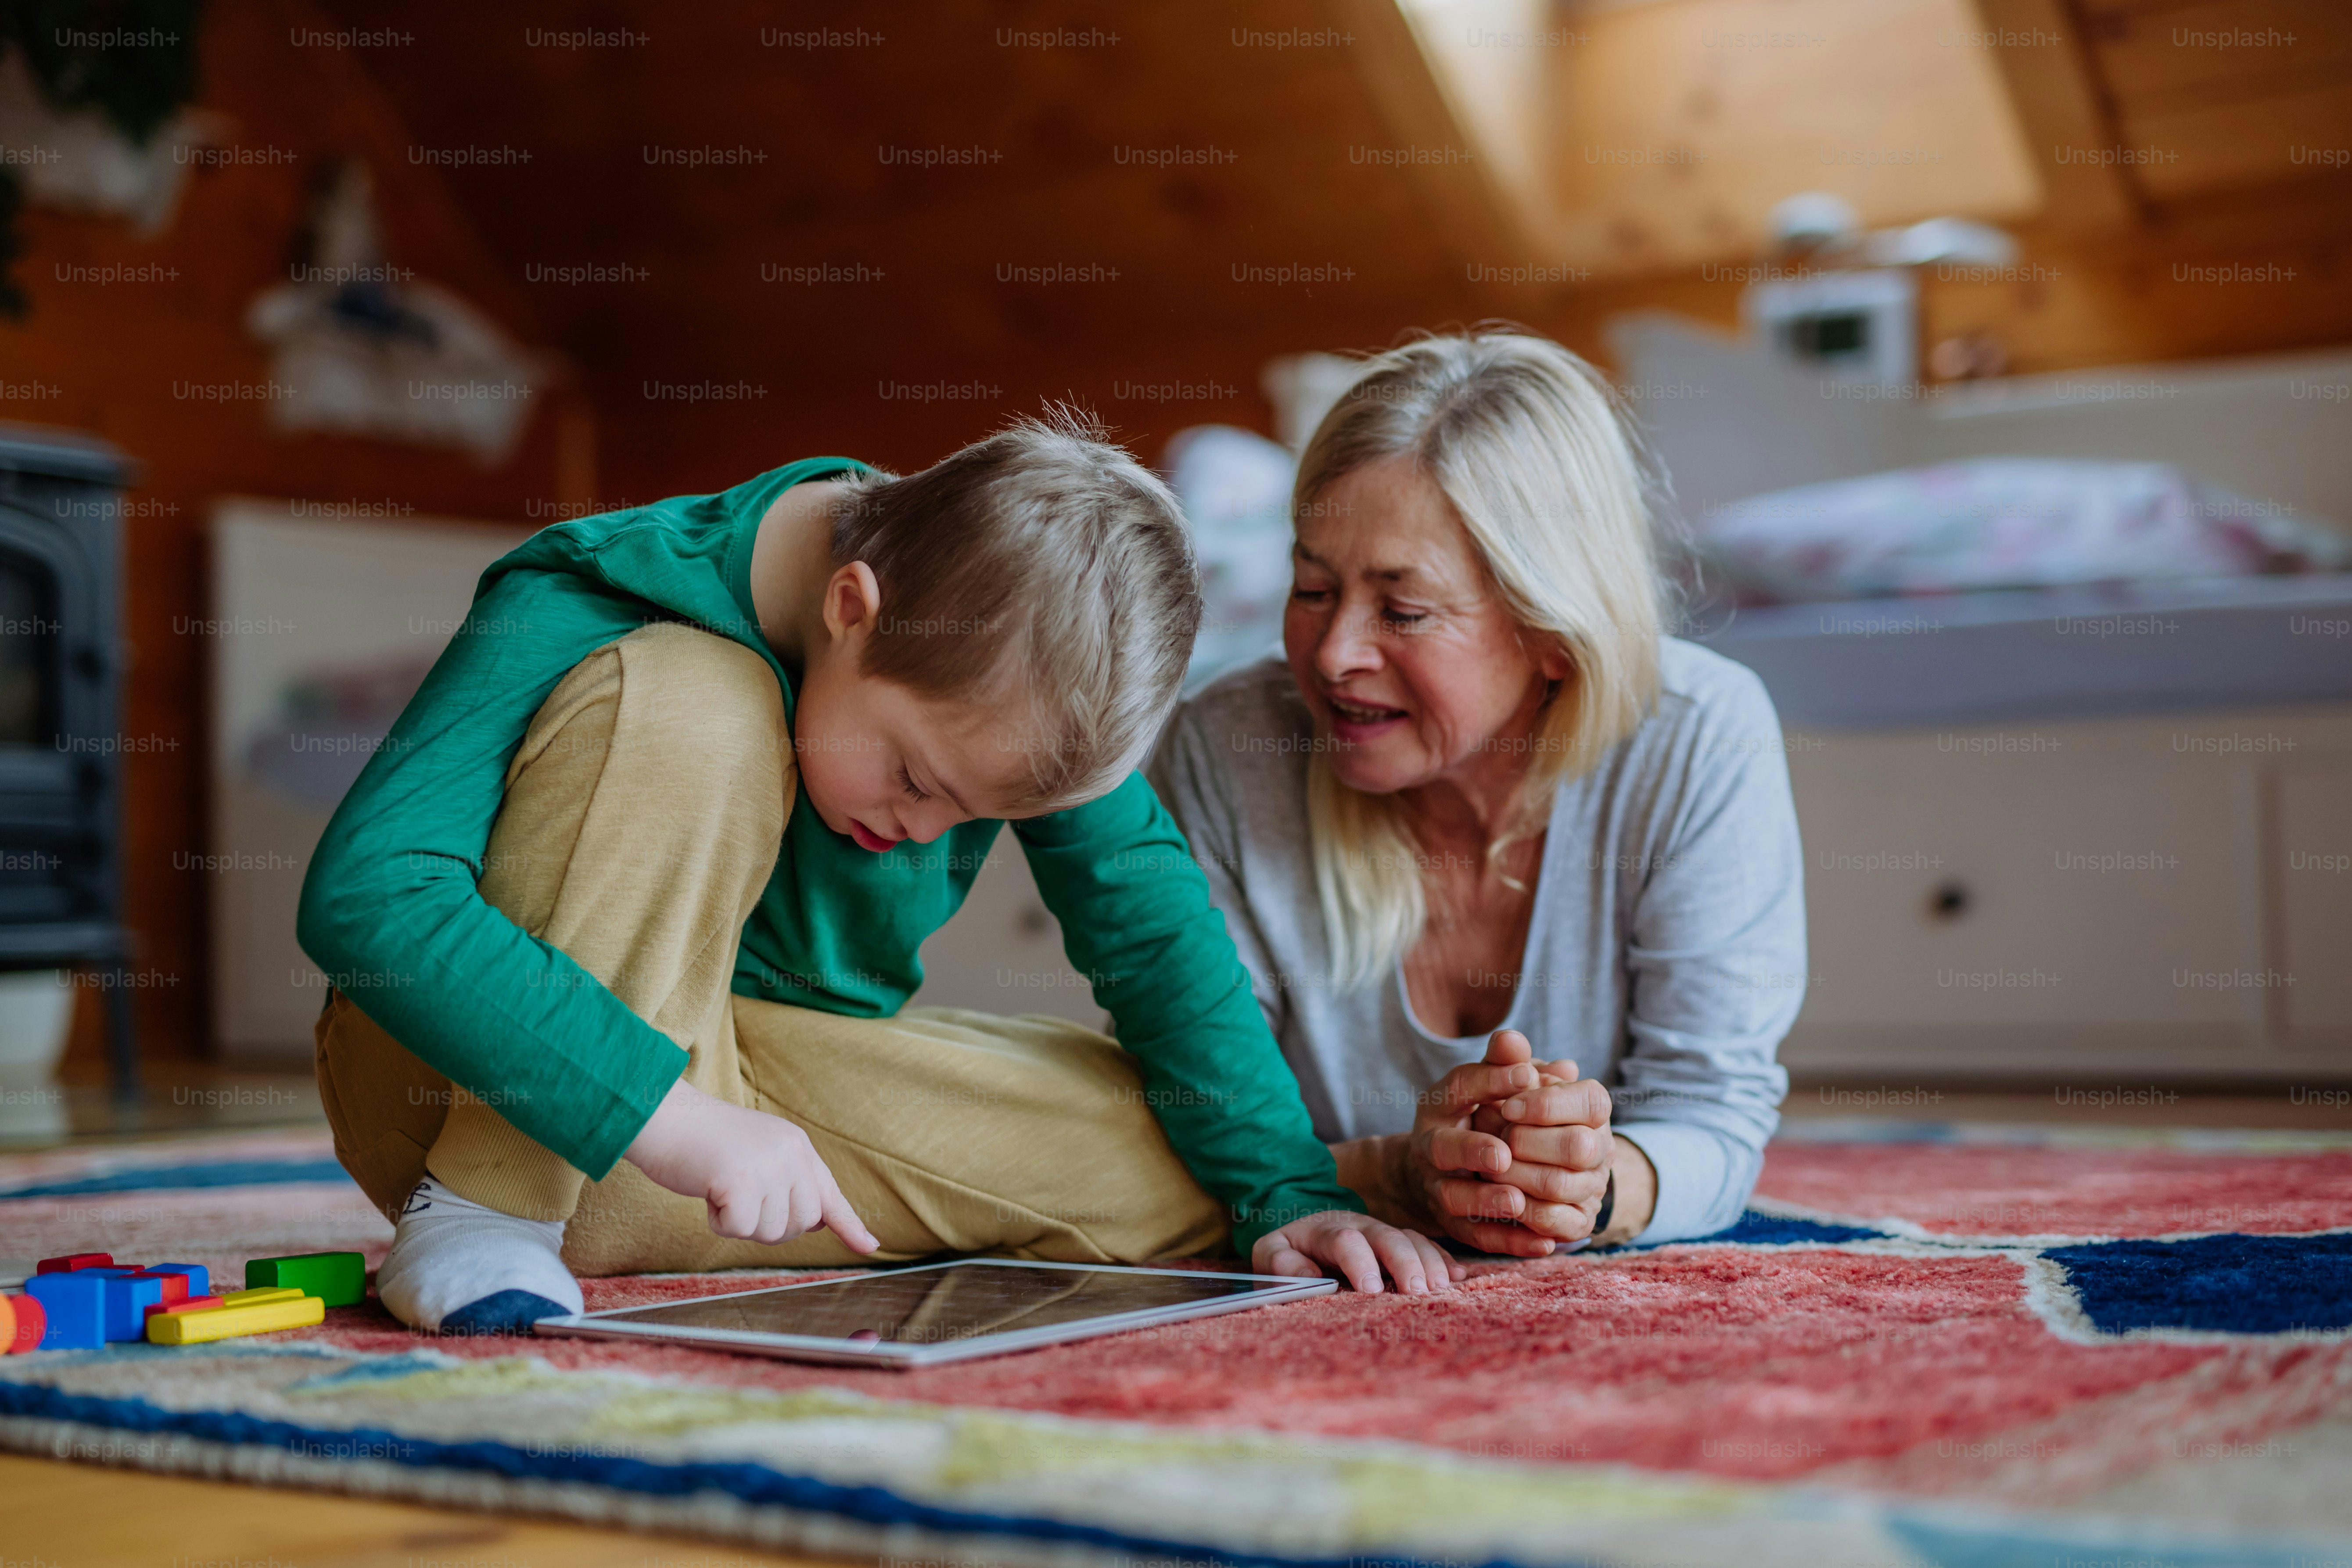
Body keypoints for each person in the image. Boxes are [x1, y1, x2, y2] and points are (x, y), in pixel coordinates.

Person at [299, 415, 1456, 1335]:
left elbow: (1153, 932)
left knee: (1183, 1126)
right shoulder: (592, 585)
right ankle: (495, 1207)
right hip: (469, 1111)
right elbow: (368, 892)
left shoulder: (1017, 662)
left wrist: (1287, 1188)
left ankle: (1352, 1172)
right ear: (855, 608)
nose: (921, 829)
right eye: (914, 776)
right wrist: (664, 1112)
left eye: (971, 814)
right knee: (692, 698)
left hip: (749, 1150)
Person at [1149, 331, 1803, 1258]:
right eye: (1310, 587)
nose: (1333, 655)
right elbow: (1185, 1112)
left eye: (1403, 610)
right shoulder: (1226, 745)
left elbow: (1713, 1115)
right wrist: (1392, 1171)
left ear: (1551, 629)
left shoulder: (1698, 733)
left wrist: (1592, 1181)